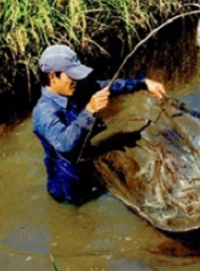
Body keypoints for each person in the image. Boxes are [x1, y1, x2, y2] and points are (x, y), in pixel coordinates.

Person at [32, 44, 166, 205]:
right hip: (66, 190)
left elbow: (108, 87)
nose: (76, 81)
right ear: (53, 76)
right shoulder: (44, 112)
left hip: (88, 172)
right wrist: (89, 111)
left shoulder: (74, 90)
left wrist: (142, 83)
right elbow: (64, 144)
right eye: (71, 76)